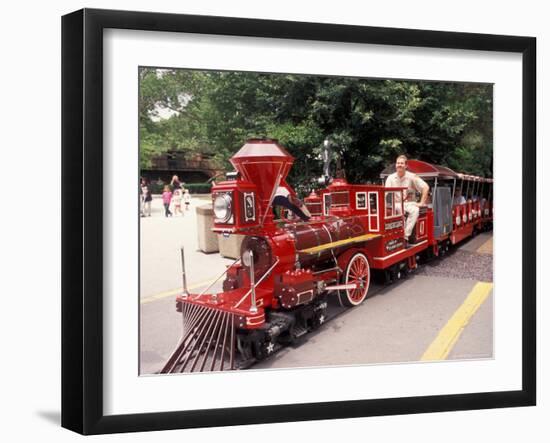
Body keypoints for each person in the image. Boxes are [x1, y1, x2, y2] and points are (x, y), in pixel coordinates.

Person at [385, 155, 429, 245]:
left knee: (415, 210)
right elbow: (386, 194)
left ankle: (405, 236)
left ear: (406, 166)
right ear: (395, 165)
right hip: (395, 204)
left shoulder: (412, 177)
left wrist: (421, 203)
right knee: (393, 210)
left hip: (408, 203)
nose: (399, 165)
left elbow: (425, 187)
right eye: (398, 163)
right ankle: (389, 236)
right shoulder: (390, 178)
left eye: (401, 163)